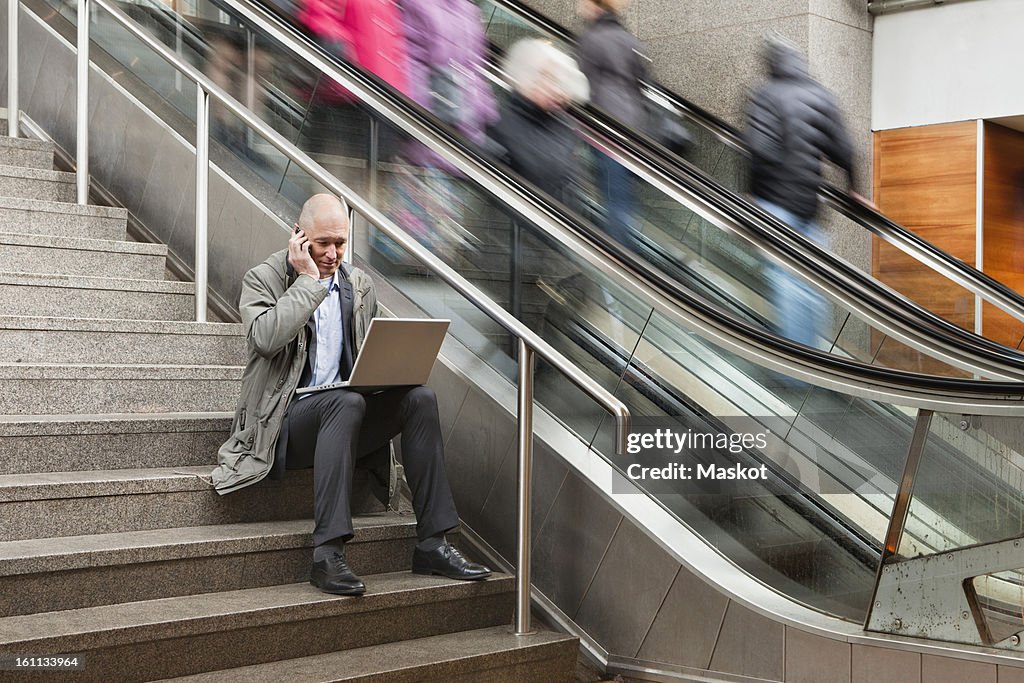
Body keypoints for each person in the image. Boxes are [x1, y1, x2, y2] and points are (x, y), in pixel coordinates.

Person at [211, 193, 491, 596]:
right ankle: (327, 554)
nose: (331, 253)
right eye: (322, 243)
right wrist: (308, 283)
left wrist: (390, 374)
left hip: (345, 416)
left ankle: (433, 544)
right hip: (282, 425)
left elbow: (368, 358)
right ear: (299, 236)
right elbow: (264, 339)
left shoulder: (358, 285)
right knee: (345, 402)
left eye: (339, 243)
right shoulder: (264, 278)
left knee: (419, 399)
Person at [743, 34, 866, 349]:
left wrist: (752, 193)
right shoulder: (820, 96)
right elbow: (845, 149)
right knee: (812, 281)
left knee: (785, 278)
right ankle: (821, 359)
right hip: (809, 205)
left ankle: (795, 370)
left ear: (770, 64)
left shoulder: (765, 94)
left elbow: (758, 148)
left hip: (775, 202)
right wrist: (855, 188)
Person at [489, 39, 589, 211]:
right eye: (548, 78)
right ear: (526, 78)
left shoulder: (563, 124)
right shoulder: (500, 123)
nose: (558, 90)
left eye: (560, 81)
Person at [577, 0, 646, 248]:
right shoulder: (627, 39)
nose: (579, 6)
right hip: (631, 131)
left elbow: (582, 88)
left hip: (604, 131)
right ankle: (632, 252)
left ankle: (622, 261)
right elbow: (642, 85)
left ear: (596, 7)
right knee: (623, 198)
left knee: (612, 199)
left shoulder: (592, 39)